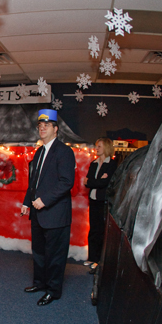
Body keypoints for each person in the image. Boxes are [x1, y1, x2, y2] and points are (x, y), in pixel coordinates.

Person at [21, 109, 76, 306]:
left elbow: (66, 182)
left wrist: (44, 200)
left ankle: (53, 291)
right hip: (37, 213)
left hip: (55, 213)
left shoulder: (64, 151)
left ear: (56, 129)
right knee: (39, 252)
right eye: (40, 126)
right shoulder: (39, 152)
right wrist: (27, 201)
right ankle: (40, 283)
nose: (42, 128)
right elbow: (33, 181)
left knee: (55, 256)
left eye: (46, 125)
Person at [84, 138, 117, 273]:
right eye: (96, 146)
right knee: (93, 230)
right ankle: (92, 258)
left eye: (99, 146)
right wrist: (98, 180)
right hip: (94, 200)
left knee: (103, 231)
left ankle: (100, 261)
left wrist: (95, 181)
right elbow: (87, 182)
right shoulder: (93, 164)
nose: (96, 148)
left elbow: (106, 183)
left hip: (104, 202)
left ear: (106, 147)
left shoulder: (112, 164)